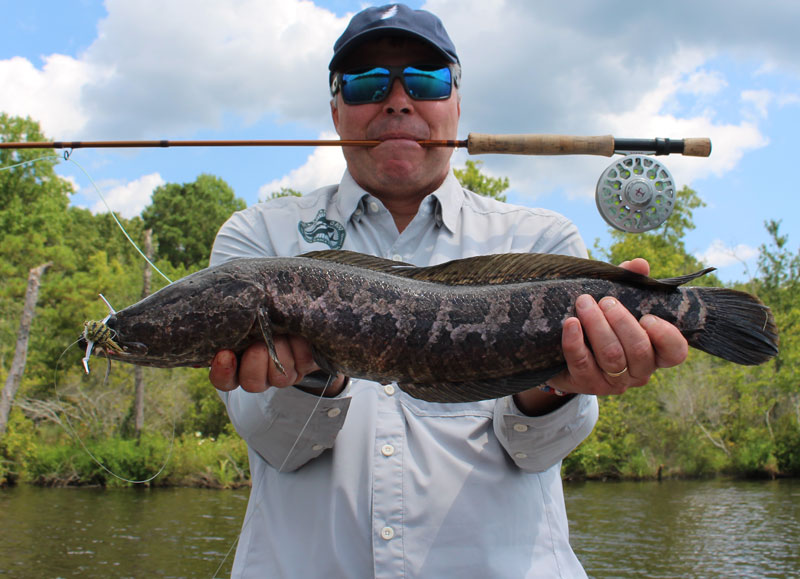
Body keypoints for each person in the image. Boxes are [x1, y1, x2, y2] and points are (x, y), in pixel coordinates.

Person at [208, 4, 688, 577]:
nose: (397, 100)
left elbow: (535, 451)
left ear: (457, 102)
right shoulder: (258, 241)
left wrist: (555, 384)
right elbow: (277, 445)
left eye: (426, 80)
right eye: (366, 83)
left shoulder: (542, 239)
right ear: (335, 109)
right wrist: (314, 371)